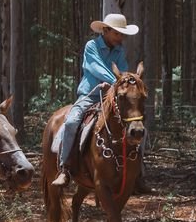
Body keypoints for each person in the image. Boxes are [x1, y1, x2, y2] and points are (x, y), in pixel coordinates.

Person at [52, 12, 138, 188]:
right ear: (105, 31)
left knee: (135, 123)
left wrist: (122, 85)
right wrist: (117, 83)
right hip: (90, 96)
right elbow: (96, 67)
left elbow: (123, 71)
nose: (120, 37)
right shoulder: (91, 46)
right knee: (72, 122)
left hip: (114, 97)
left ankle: (137, 173)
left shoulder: (119, 51)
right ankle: (65, 168)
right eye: (117, 33)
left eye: (122, 34)